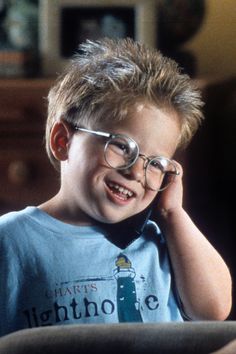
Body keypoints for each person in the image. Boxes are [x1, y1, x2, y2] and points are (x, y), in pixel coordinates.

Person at [0, 38, 232, 337]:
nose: (137, 171)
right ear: (63, 141)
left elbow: (214, 311)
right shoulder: (12, 241)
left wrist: (174, 213)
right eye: (122, 146)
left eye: (156, 163)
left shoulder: (162, 242)